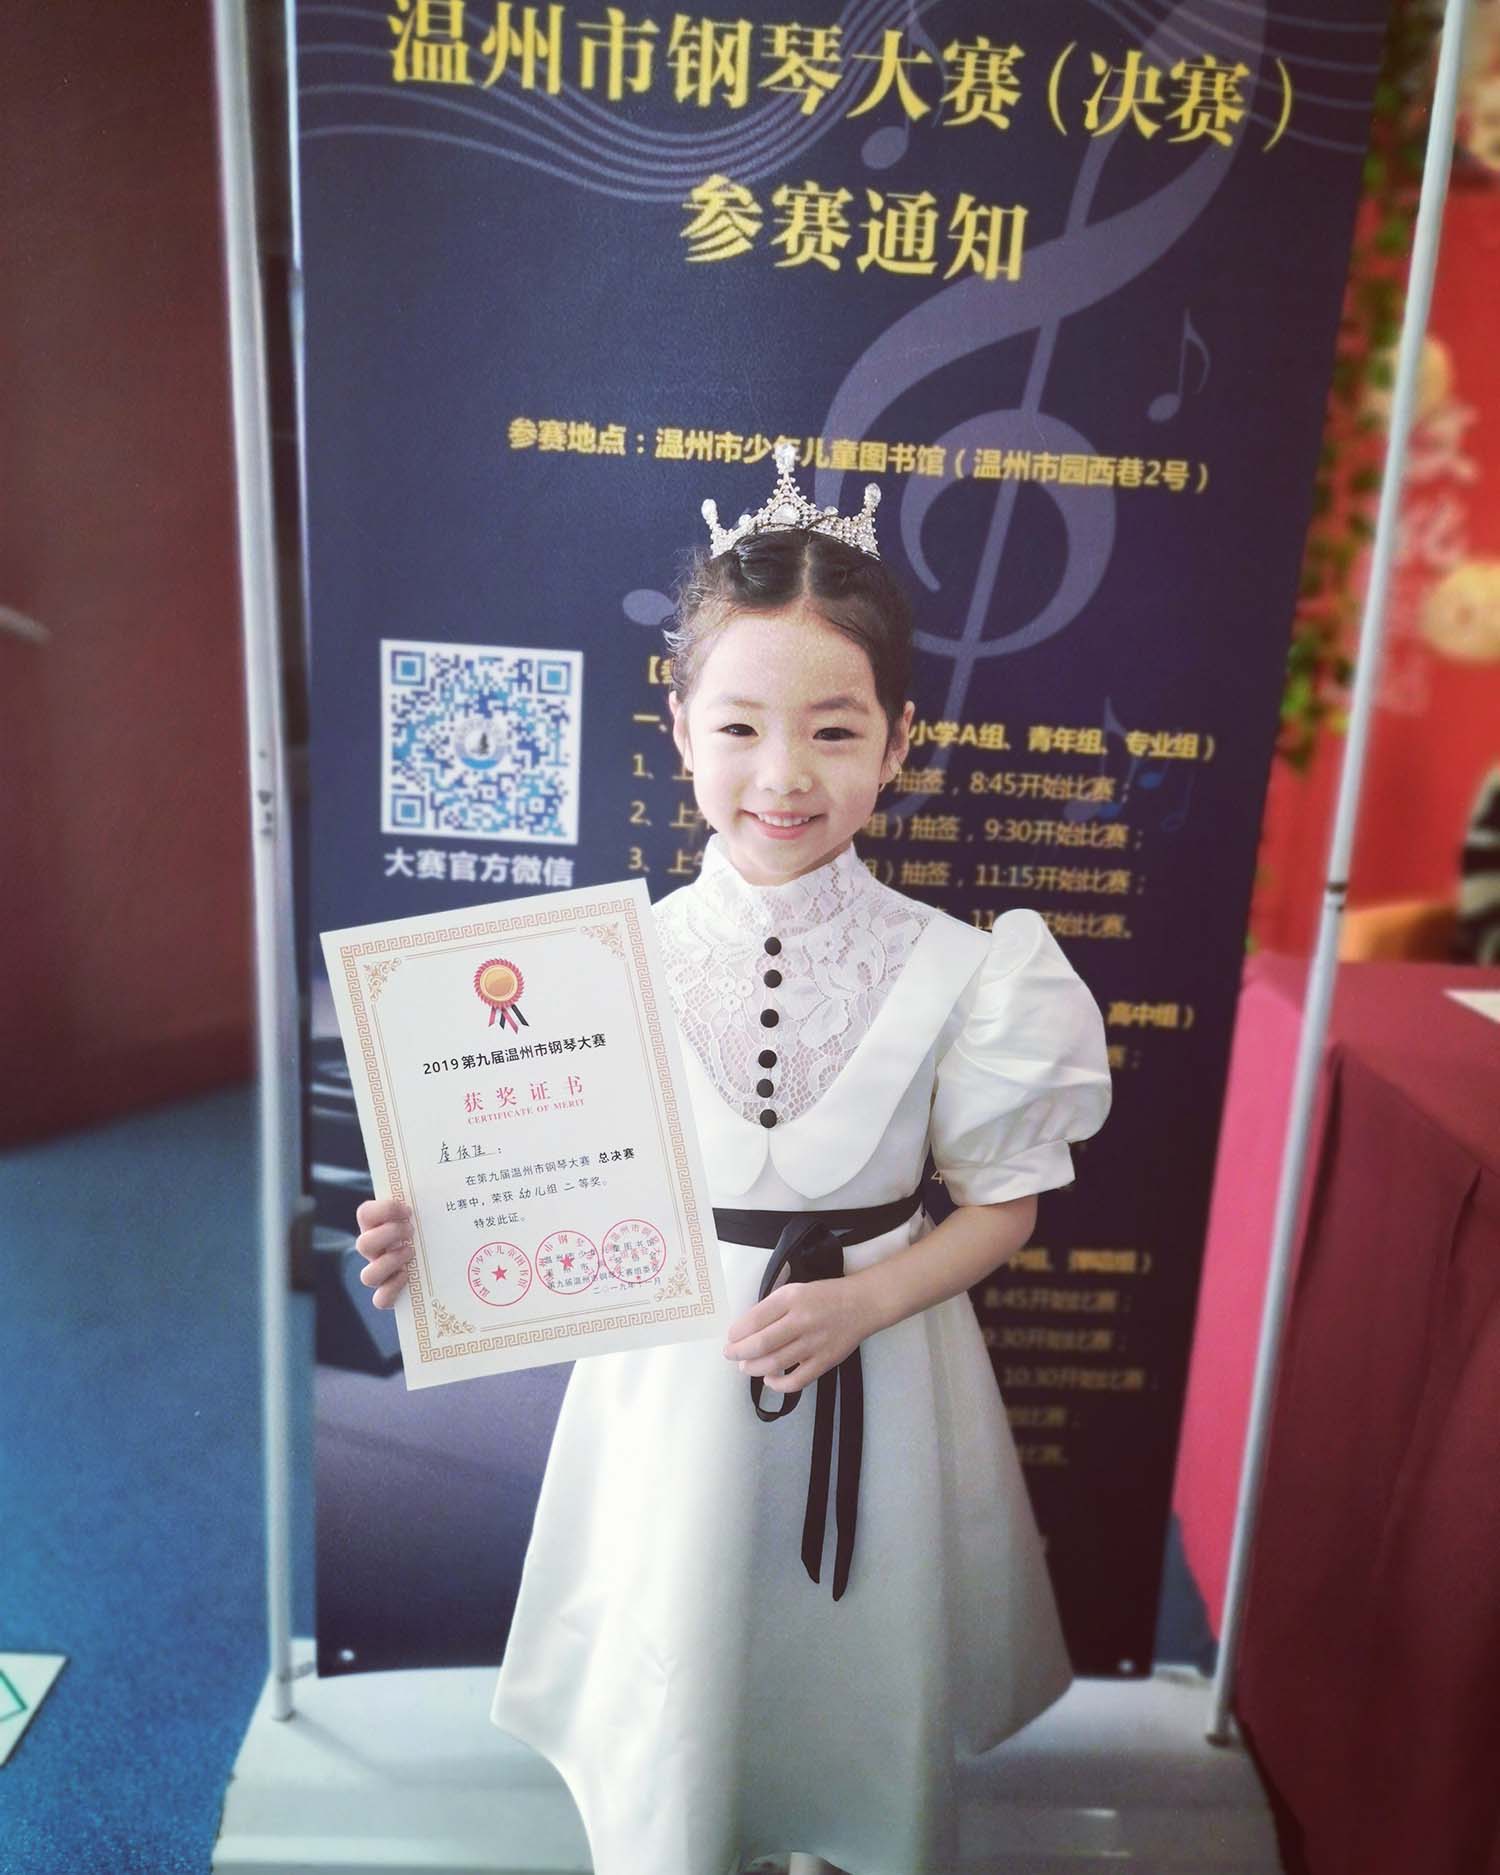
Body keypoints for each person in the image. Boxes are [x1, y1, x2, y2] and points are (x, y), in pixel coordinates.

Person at [353, 444, 1113, 1875]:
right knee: (683, 1657)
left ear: (898, 740)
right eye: (742, 726)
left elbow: (1001, 1208)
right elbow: (531, 1189)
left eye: (834, 730)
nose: (784, 775)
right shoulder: (597, 965)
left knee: (854, 1668)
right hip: (673, 1388)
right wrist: (431, 1241)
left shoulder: (968, 970)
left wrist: (865, 1301)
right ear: (679, 727)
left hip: (883, 1371)